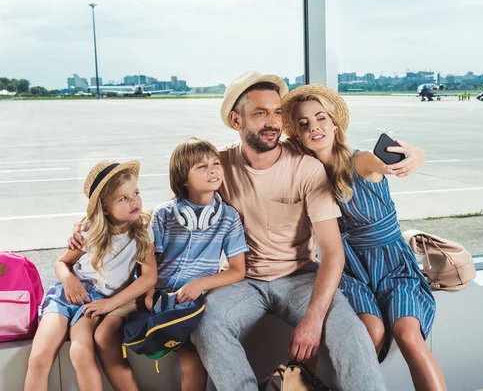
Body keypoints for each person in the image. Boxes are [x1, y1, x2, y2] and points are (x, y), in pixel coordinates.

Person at [190, 71, 387, 390]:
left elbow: (333, 252)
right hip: (243, 280)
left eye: (277, 111)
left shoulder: (307, 168)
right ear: (237, 121)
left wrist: (312, 321)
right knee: (207, 325)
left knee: (351, 332)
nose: (272, 121)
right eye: (259, 113)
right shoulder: (218, 165)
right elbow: (180, 210)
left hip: (300, 276)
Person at [281, 84, 447, 391]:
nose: (314, 127)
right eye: (304, 124)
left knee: (409, 336)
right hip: (351, 271)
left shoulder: (360, 162)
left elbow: (393, 159)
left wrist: (416, 155)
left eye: (320, 118)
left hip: (393, 264)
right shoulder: (308, 174)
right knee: (369, 333)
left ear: (334, 123)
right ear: (298, 137)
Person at [26, 160, 157, 391]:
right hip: (65, 293)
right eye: (123, 198)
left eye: (135, 193)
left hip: (95, 301)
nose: (134, 201)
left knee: (80, 351)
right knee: (39, 356)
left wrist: (110, 304)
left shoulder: (143, 232)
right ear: (105, 208)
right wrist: (68, 280)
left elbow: (149, 277)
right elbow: (61, 263)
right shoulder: (89, 231)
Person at [150, 137, 248, 391]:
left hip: (195, 300)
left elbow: (238, 270)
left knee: (193, 361)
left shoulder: (228, 217)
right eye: (201, 167)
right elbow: (147, 265)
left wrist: (200, 284)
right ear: (183, 178)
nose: (213, 170)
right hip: (158, 297)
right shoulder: (164, 214)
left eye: (216, 163)